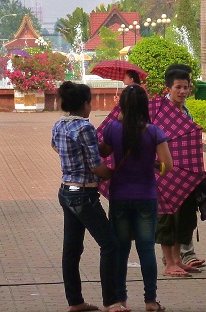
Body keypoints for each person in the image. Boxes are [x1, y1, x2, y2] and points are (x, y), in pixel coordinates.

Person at [52, 81, 127, 312]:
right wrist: (117, 172)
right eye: (90, 102)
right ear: (85, 104)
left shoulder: (59, 125)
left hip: (66, 190)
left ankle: (75, 301)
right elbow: (96, 166)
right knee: (110, 244)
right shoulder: (84, 127)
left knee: (72, 249)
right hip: (84, 194)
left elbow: (56, 147)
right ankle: (112, 301)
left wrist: (74, 160)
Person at [100, 85, 173, 312]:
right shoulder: (154, 131)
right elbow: (167, 166)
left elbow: (102, 152)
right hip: (146, 196)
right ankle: (150, 301)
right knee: (147, 249)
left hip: (120, 196)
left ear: (122, 105)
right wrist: (153, 166)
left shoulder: (112, 128)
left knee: (121, 250)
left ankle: (120, 299)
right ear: (144, 106)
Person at [156, 67, 204, 277]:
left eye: (186, 87)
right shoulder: (160, 111)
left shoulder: (186, 111)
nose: (182, 91)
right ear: (168, 88)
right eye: (178, 87)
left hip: (185, 174)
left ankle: (177, 260)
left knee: (184, 217)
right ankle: (169, 264)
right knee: (167, 218)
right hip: (164, 175)